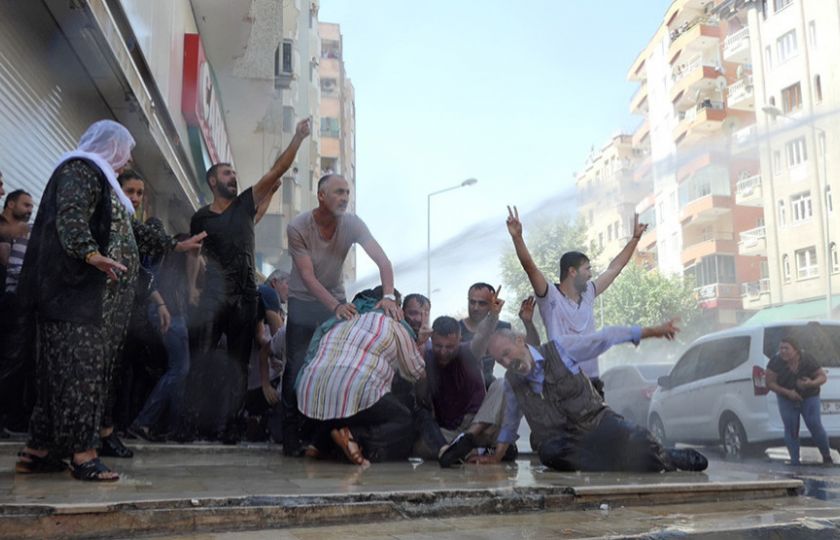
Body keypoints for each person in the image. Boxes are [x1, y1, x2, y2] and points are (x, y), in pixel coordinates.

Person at [14, 120, 141, 481]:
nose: (128, 159)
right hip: (71, 293)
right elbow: (71, 215)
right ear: (110, 146)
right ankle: (84, 456)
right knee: (82, 376)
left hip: (68, 296)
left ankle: (38, 452)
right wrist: (90, 253)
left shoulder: (91, 174)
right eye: (125, 151)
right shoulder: (81, 169)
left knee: (56, 377)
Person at [190, 118, 310, 443]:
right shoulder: (201, 218)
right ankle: (191, 423)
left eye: (234, 173)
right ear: (213, 181)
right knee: (201, 359)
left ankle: (231, 426)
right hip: (212, 297)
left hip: (244, 298)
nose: (233, 177)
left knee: (238, 364)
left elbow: (277, 170)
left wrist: (298, 138)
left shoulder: (243, 206)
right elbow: (194, 256)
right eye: (226, 173)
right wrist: (191, 290)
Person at [468, 322, 708, 473]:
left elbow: (605, 338)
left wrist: (652, 332)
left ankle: (668, 457)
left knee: (636, 439)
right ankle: (621, 462)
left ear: (520, 341)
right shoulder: (512, 382)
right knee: (550, 454)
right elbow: (510, 421)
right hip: (563, 443)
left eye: (507, 354)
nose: (507, 363)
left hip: (597, 422)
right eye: (500, 361)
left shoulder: (560, 349)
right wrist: (497, 456)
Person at [282, 173, 398, 456]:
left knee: (335, 365)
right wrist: (334, 306)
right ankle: (291, 437)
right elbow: (308, 277)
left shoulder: (353, 223)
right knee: (297, 365)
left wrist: (389, 296)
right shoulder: (298, 226)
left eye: (347, 192)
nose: (345, 198)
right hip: (303, 300)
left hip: (336, 300)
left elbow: (383, 261)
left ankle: (322, 438)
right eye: (338, 192)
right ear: (321, 196)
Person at [505, 205, 647, 396]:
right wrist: (517, 237)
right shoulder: (550, 295)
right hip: (564, 384)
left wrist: (635, 239)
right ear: (572, 272)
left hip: (592, 383)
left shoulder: (588, 293)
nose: (590, 274)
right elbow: (530, 267)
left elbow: (615, 268)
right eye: (587, 269)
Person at [296, 287, 424, 465]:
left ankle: (319, 443)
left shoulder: (342, 319)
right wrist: (419, 344)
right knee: (404, 419)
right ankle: (354, 437)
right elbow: (415, 372)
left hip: (309, 388)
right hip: (358, 386)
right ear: (394, 306)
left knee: (341, 401)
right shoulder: (395, 325)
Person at [416, 287, 510, 467]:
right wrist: (419, 347)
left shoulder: (469, 352)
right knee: (420, 447)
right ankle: (472, 450)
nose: (443, 352)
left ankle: (470, 444)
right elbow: (420, 397)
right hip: (450, 431)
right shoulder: (425, 355)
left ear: (459, 340)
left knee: (502, 384)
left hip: (479, 425)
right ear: (432, 340)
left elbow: (482, 336)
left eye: (449, 347)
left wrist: (493, 316)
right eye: (438, 346)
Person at [766, 337, 833, 466]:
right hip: (786, 397)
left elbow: (822, 377)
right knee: (791, 428)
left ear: (795, 350)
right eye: (781, 348)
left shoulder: (806, 359)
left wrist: (811, 383)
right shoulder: (775, 361)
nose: (783, 351)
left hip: (809, 395)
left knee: (814, 424)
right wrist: (788, 393)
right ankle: (795, 461)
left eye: (786, 348)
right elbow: (770, 383)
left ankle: (827, 456)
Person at [0, 189, 34, 435]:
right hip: (11, 300)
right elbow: (10, 266)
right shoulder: (12, 230)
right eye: (26, 205)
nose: (30, 210)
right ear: (11, 204)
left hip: (15, 302)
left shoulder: (24, 232)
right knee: (9, 361)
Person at [459, 283, 512, 389]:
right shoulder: (456, 329)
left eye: (482, 303)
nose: (475, 308)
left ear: (492, 304)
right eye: (472, 302)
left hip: (488, 388)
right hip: (460, 389)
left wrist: (528, 323)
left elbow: (529, 349)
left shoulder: (501, 327)